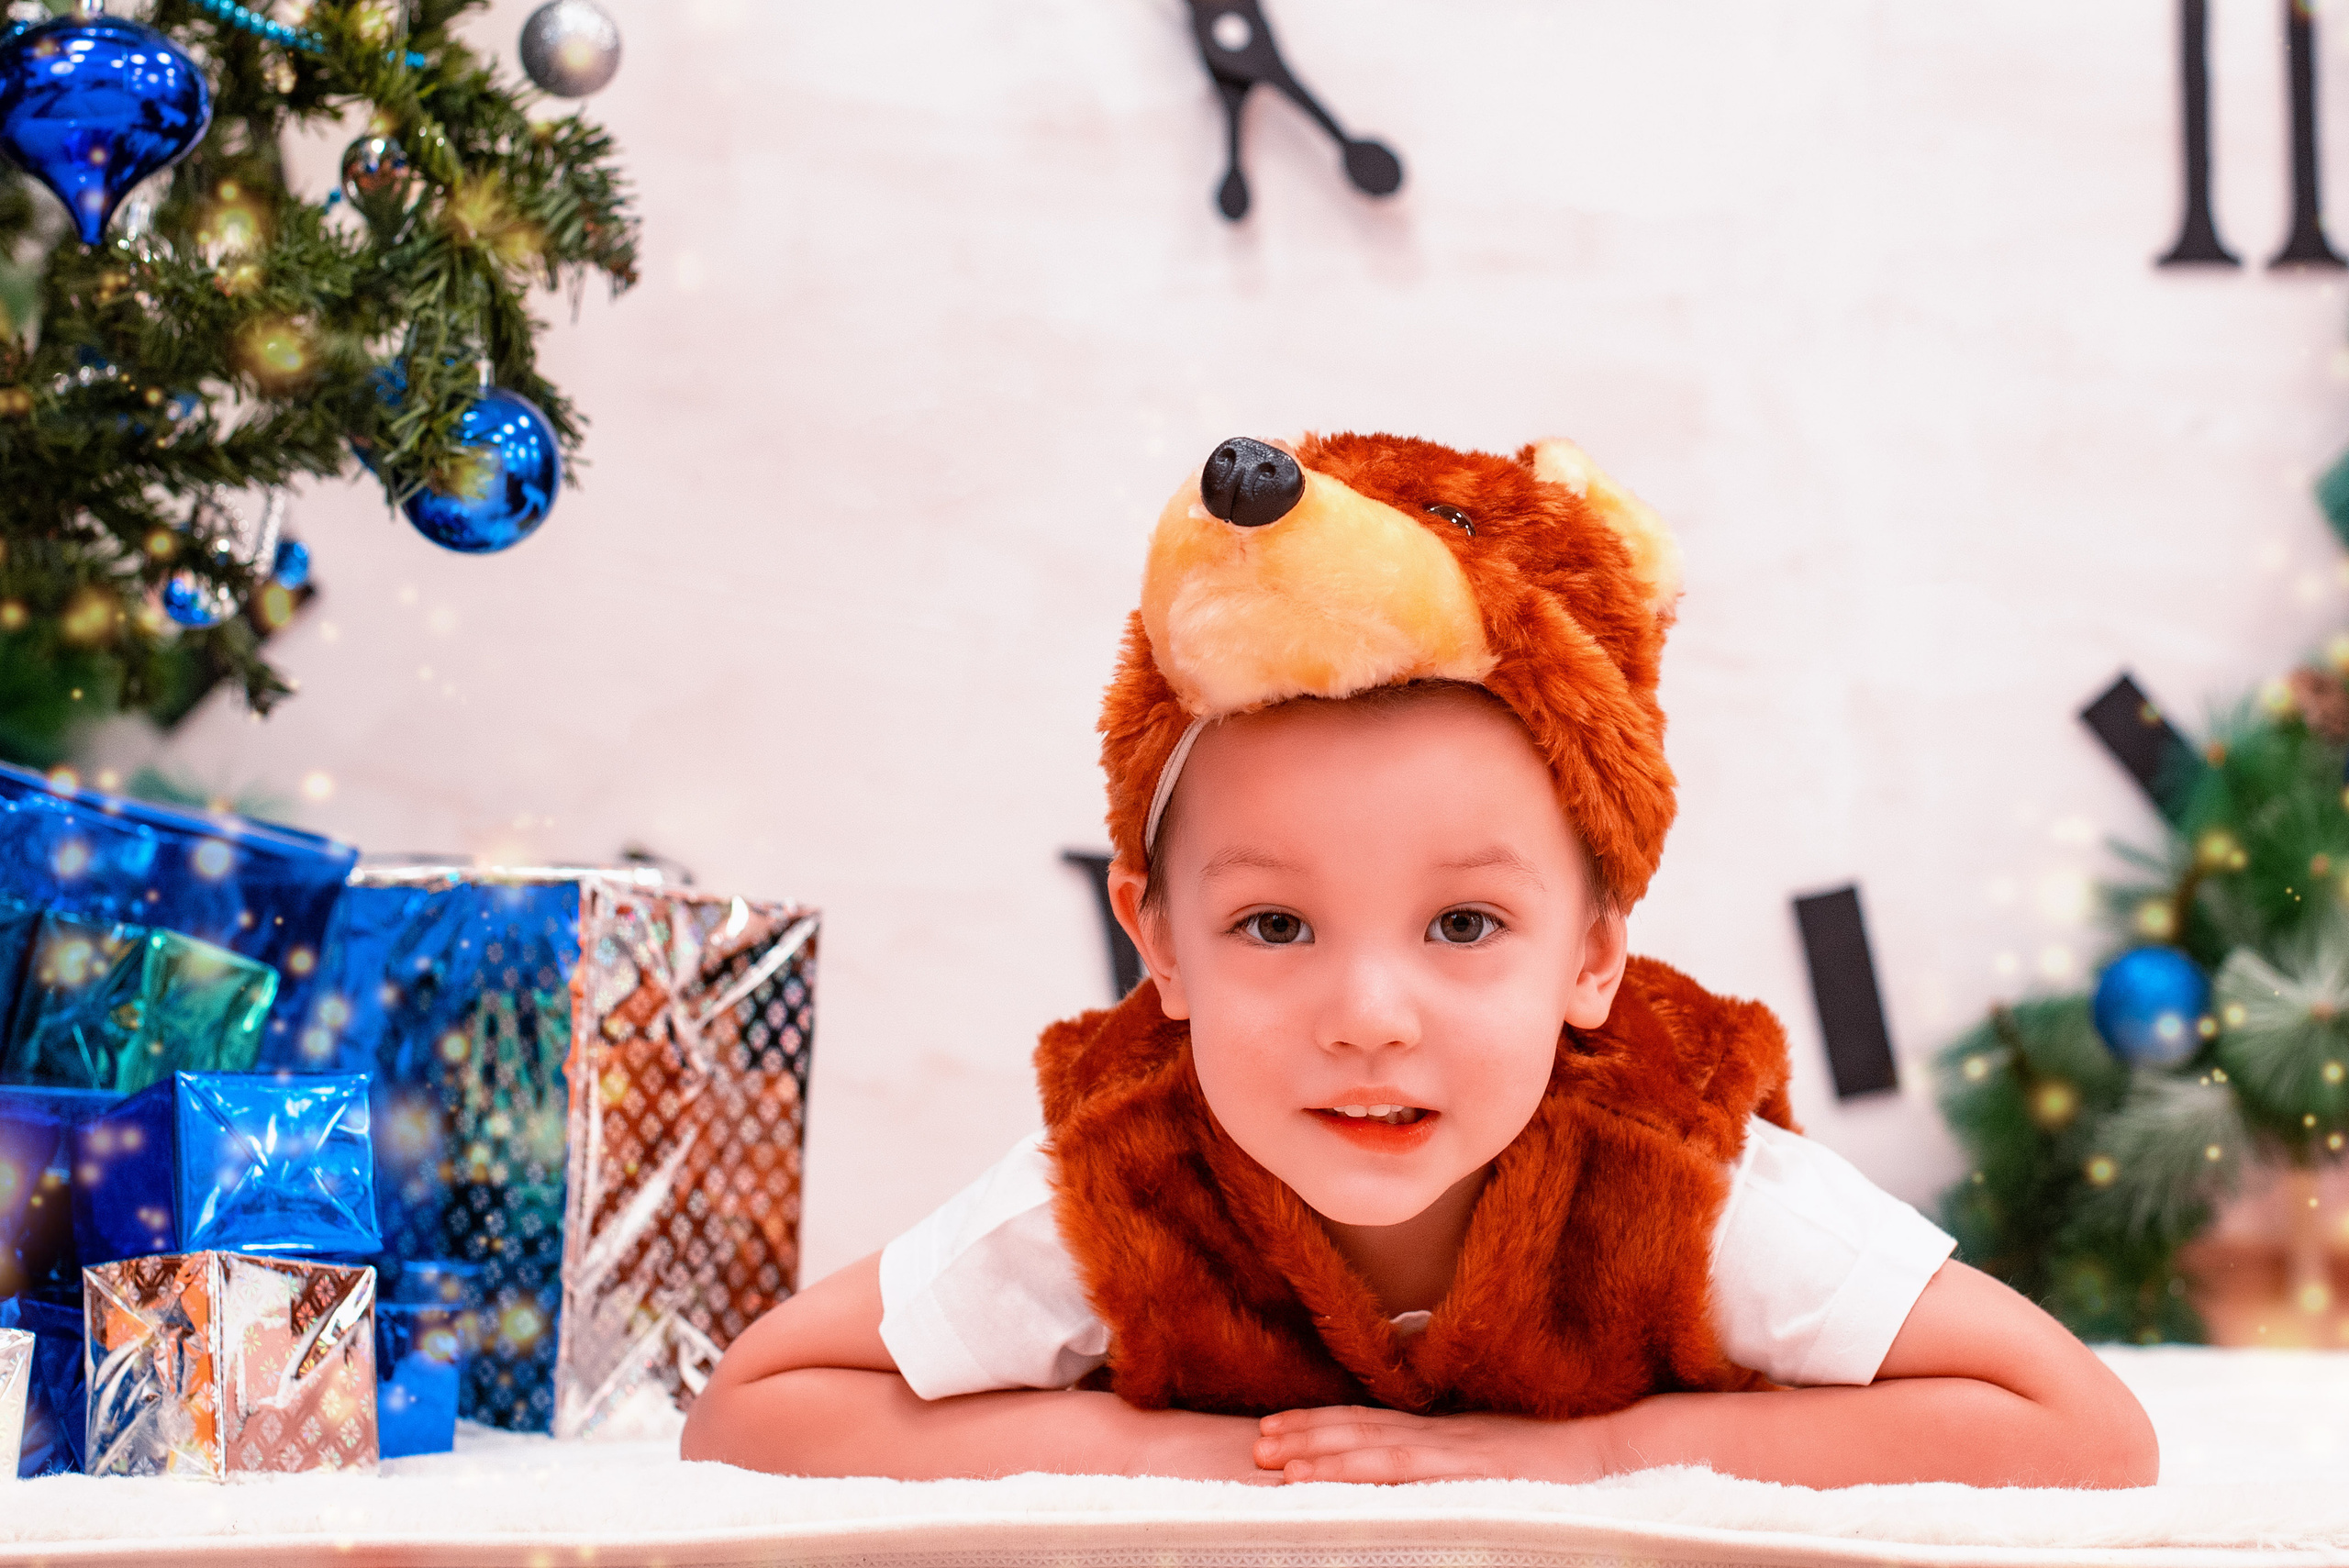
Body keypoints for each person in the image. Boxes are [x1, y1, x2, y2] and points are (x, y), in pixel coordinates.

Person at [682, 432, 2158, 1488]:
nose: (1369, 1017)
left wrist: (1589, 1454)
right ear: (1160, 943)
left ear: (1591, 957)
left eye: (1464, 925)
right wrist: (1183, 1457)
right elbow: (750, 1407)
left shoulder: (1671, 1170)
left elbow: (2081, 1426)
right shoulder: (1130, 1171)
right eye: (1274, 925)